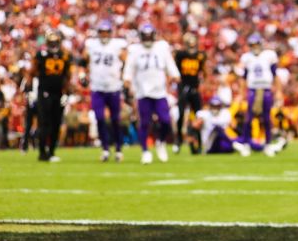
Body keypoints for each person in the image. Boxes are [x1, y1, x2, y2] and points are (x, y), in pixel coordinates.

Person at [123, 23, 180, 164]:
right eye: (145, 36)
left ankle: (160, 141)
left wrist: (174, 74)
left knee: (166, 121)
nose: (148, 38)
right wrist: (127, 79)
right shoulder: (135, 50)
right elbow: (129, 67)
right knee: (144, 123)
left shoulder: (162, 48)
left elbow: (169, 63)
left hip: (159, 91)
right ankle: (145, 151)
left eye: (150, 36)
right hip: (142, 91)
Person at [83, 19, 127, 163]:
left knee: (115, 120)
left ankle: (119, 149)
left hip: (113, 87)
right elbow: (83, 60)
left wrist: (124, 76)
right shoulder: (91, 45)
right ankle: (105, 148)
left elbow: (126, 60)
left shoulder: (117, 45)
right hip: (97, 88)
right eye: (101, 32)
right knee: (99, 118)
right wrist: (83, 74)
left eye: (106, 32)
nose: (104, 35)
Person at [24, 31, 71, 162]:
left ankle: (51, 151)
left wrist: (67, 93)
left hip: (58, 93)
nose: (54, 44)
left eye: (56, 42)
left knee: (56, 123)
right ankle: (42, 152)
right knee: (44, 123)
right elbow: (32, 72)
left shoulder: (64, 56)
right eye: (51, 42)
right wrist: (29, 89)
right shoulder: (41, 55)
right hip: (44, 92)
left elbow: (67, 76)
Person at [239, 33, 286, 156]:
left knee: (266, 118)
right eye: (252, 45)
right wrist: (241, 93)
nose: (254, 47)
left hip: (265, 90)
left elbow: (275, 74)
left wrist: (279, 91)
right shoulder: (246, 57)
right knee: (249, 118)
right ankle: (246, 144)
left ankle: (268, 144)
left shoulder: (268, 56)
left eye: (256, 44)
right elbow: (243, 77)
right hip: (253, 90)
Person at [174, 32, 207, 154]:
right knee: (181, 114)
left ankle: (198, 142)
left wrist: (203, 84)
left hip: (195, 88)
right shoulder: (181, 55)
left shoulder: (200, 55)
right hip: (183, 87)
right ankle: (178, 141)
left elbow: (204, 71)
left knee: (199, 115)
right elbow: (175, 70)